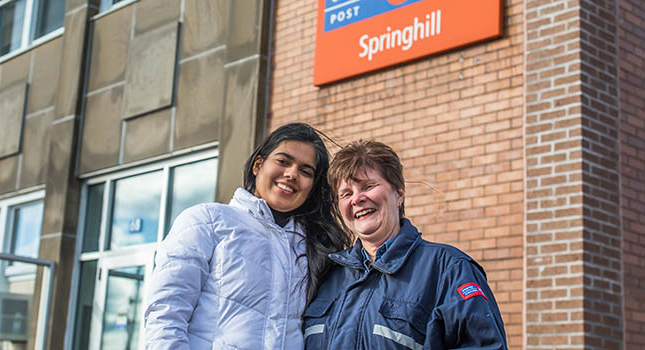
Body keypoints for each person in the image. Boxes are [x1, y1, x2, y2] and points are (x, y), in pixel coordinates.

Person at [143, 123, 348, 350]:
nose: (292, 174)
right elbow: (165, 314)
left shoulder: (315, 247)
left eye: (305, 171)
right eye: (283, 161)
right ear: (258, 165)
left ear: (312, 187)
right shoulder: (207, 221)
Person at [304, 140, 507, 349]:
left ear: (399, 193)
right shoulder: (326, 275)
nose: (357, 199)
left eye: (368, 186)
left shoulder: (448, 269)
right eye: (346, 194)